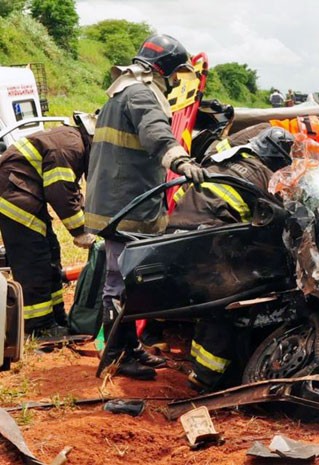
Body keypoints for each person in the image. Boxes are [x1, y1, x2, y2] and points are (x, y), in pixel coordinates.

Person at [85, 34, 207, 380]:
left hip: (118, 200)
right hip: (126, 205)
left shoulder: (123, 91)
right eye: (174, 74)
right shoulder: (141, 94)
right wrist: (181, 162)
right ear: (165, 68)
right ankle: (118, 357)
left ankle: (127, 348)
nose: (174, 82)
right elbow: (156, 133)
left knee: (123, 279)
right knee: (119, 282)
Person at [168, 126, 295, 391]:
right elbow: (276, 221)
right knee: (231, 303)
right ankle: (206, 378)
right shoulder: (268, 178)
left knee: (209, 300)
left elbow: (182, 194)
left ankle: (161, 339)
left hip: (174, 236)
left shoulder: (226, 158)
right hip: (208, 244)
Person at [0, 112, 97, 336]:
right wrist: (80, 231)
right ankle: (39, 328)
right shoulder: (70, 147)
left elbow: (70, 190)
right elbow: (60, 191)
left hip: (23, 193)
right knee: (35, 260)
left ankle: (55, 318)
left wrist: (86, 219)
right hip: (15, 196)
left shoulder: (73, 143)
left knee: (51, 252)